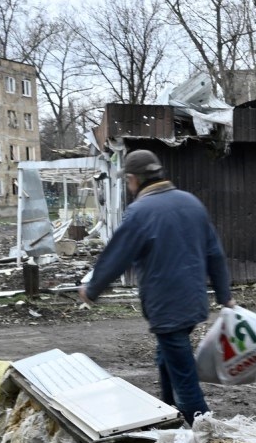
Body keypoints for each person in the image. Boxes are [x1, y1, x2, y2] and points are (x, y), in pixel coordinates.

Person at [80, 150, 234, 425]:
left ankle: (208, 435)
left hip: (166, 308)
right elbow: (215, 253)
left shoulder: (140, 212)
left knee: (185, 382)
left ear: (133, 179)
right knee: (168, 359)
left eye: (128, 181)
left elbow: (117, 256)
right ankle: (167, 413)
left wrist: (92, 290)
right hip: (194, 303)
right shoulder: (191, 203)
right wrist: (224, 296)